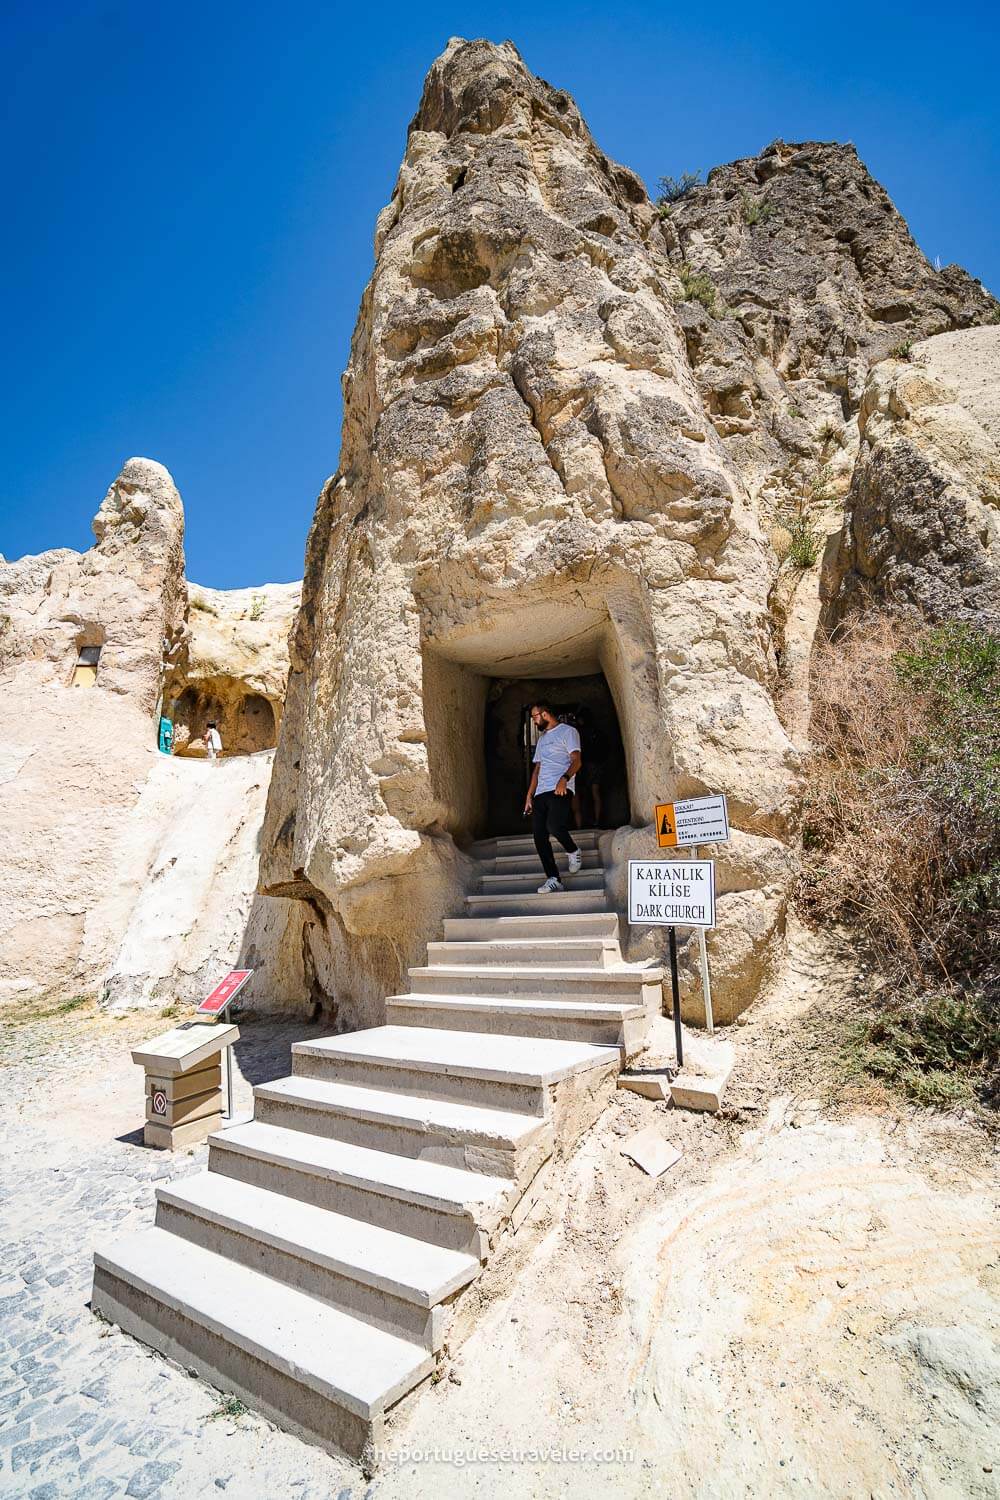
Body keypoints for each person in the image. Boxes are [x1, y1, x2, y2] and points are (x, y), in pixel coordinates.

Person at [523, 701, 583, 893]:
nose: (533, 721)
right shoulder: (541, 740)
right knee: (539, 837)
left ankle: (573, 850)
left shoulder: (568, 732)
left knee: (554, 826)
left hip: (560, 789)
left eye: (535, 717)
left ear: (545, 714)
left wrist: (564, 779)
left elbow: (577, 760)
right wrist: (529, 796)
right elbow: (537, 769)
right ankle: (553, 878)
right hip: (540, 792)